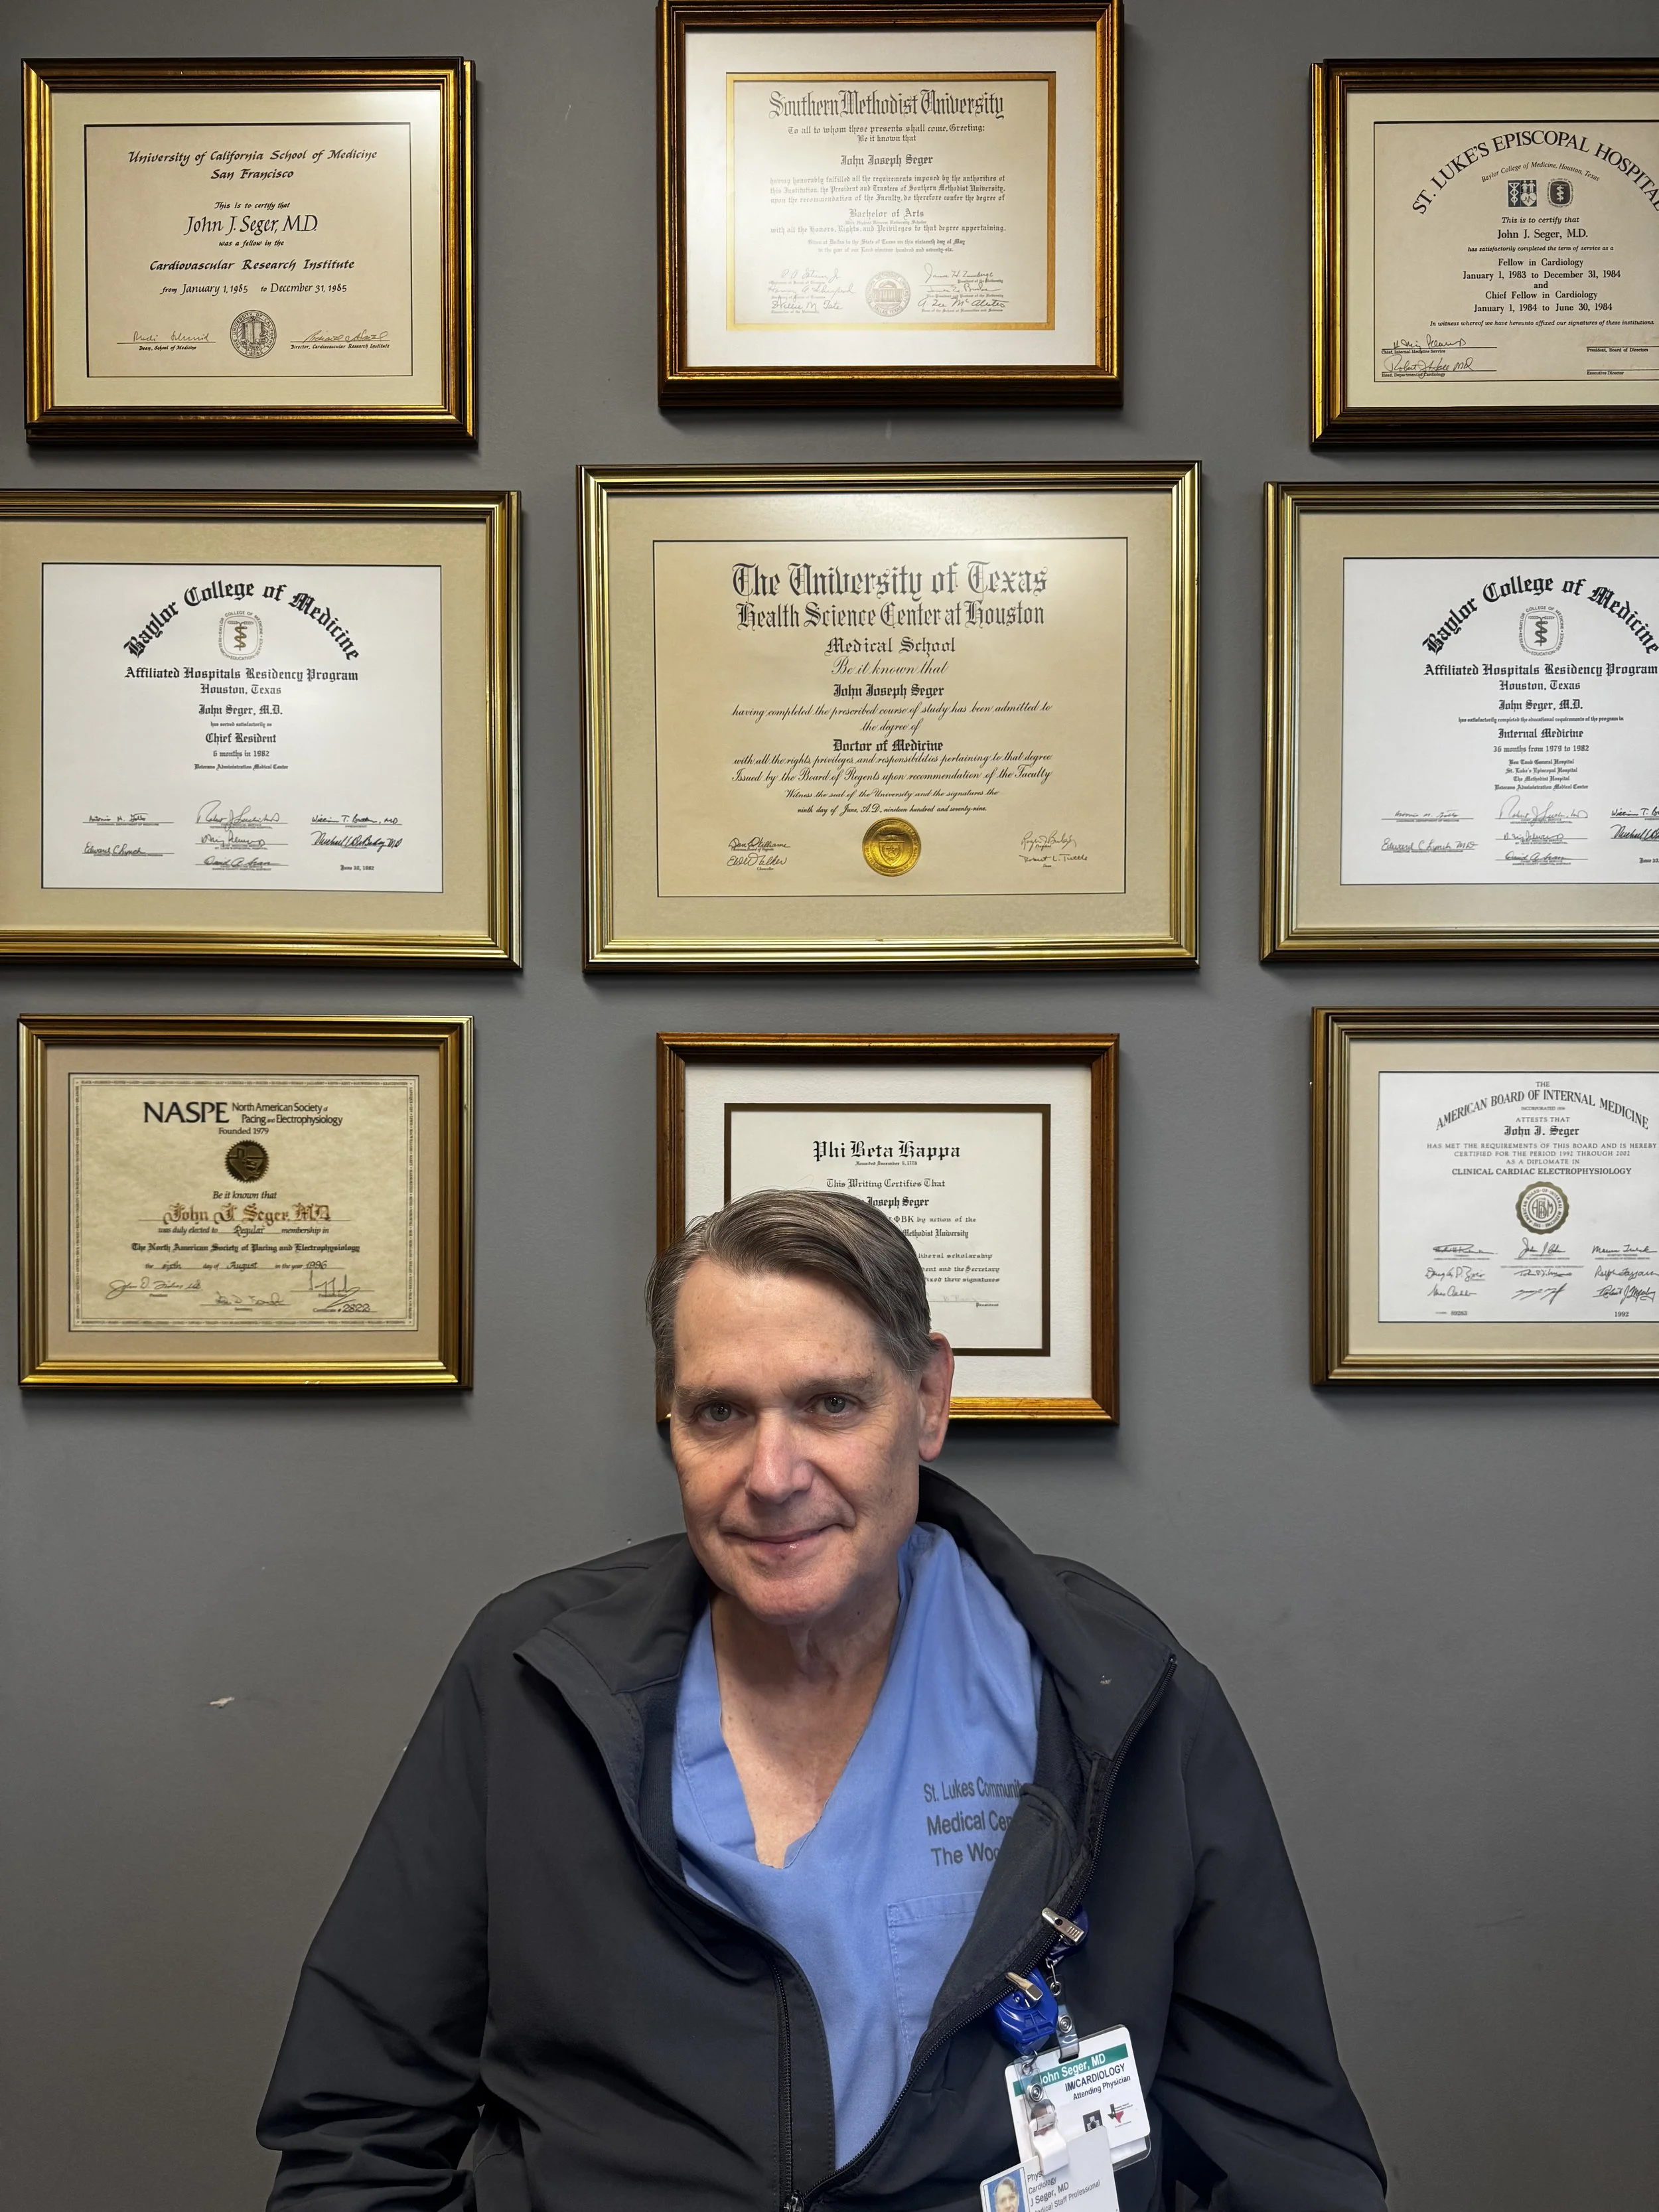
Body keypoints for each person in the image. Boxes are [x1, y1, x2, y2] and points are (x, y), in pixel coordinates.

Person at [259, 1191, 1386, 2211]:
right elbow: (359, 2124)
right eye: (719, 1414)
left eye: (832, 1404)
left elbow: (1286, 2157)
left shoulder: (1119, 1699)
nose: (773, 1472)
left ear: (929, 1400)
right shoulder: (531, 1686)